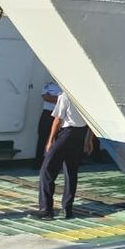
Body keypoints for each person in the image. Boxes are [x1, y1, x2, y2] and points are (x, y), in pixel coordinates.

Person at [37, 89, 94, 219]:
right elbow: (91, 121)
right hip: (80, 134)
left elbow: (57, 120)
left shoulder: (65, 96)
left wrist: (50, 140)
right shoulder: (88, 96)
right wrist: (89, 140)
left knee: (47, 170)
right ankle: (67, 209)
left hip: (66, 134)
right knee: (71, 172)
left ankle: (46, 209)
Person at [34, 77, 61, 168]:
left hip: (58, 115)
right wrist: (59, 99)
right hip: (47, 113)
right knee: (42, 138)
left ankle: (55, 162)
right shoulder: (48, 85)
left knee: (58, 139)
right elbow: (46, 97)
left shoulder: (63, 87)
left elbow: (65, 100)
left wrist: (54, 98)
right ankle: (38, 162)